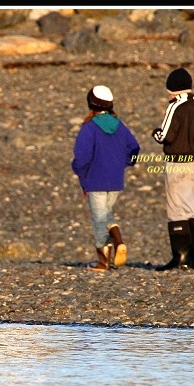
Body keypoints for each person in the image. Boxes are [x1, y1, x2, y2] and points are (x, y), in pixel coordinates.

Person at [72, 85, 140, 272]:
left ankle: (105, 259)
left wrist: (80, 171)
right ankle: (115, 248)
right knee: (106, 213)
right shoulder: (120, 126)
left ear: (91, 104)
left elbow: (82, 156)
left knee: (100, 220)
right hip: (115, 180)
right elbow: (134, 148)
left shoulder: (90, 128)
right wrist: (124, 163)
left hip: (95, 180)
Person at [152, 67, 194, 271]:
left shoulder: (175, 107)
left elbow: (165, 135)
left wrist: (155, 134)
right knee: (193, 207)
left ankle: (180, 257)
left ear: (173, 89)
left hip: (177, 161)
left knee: (177, 207)